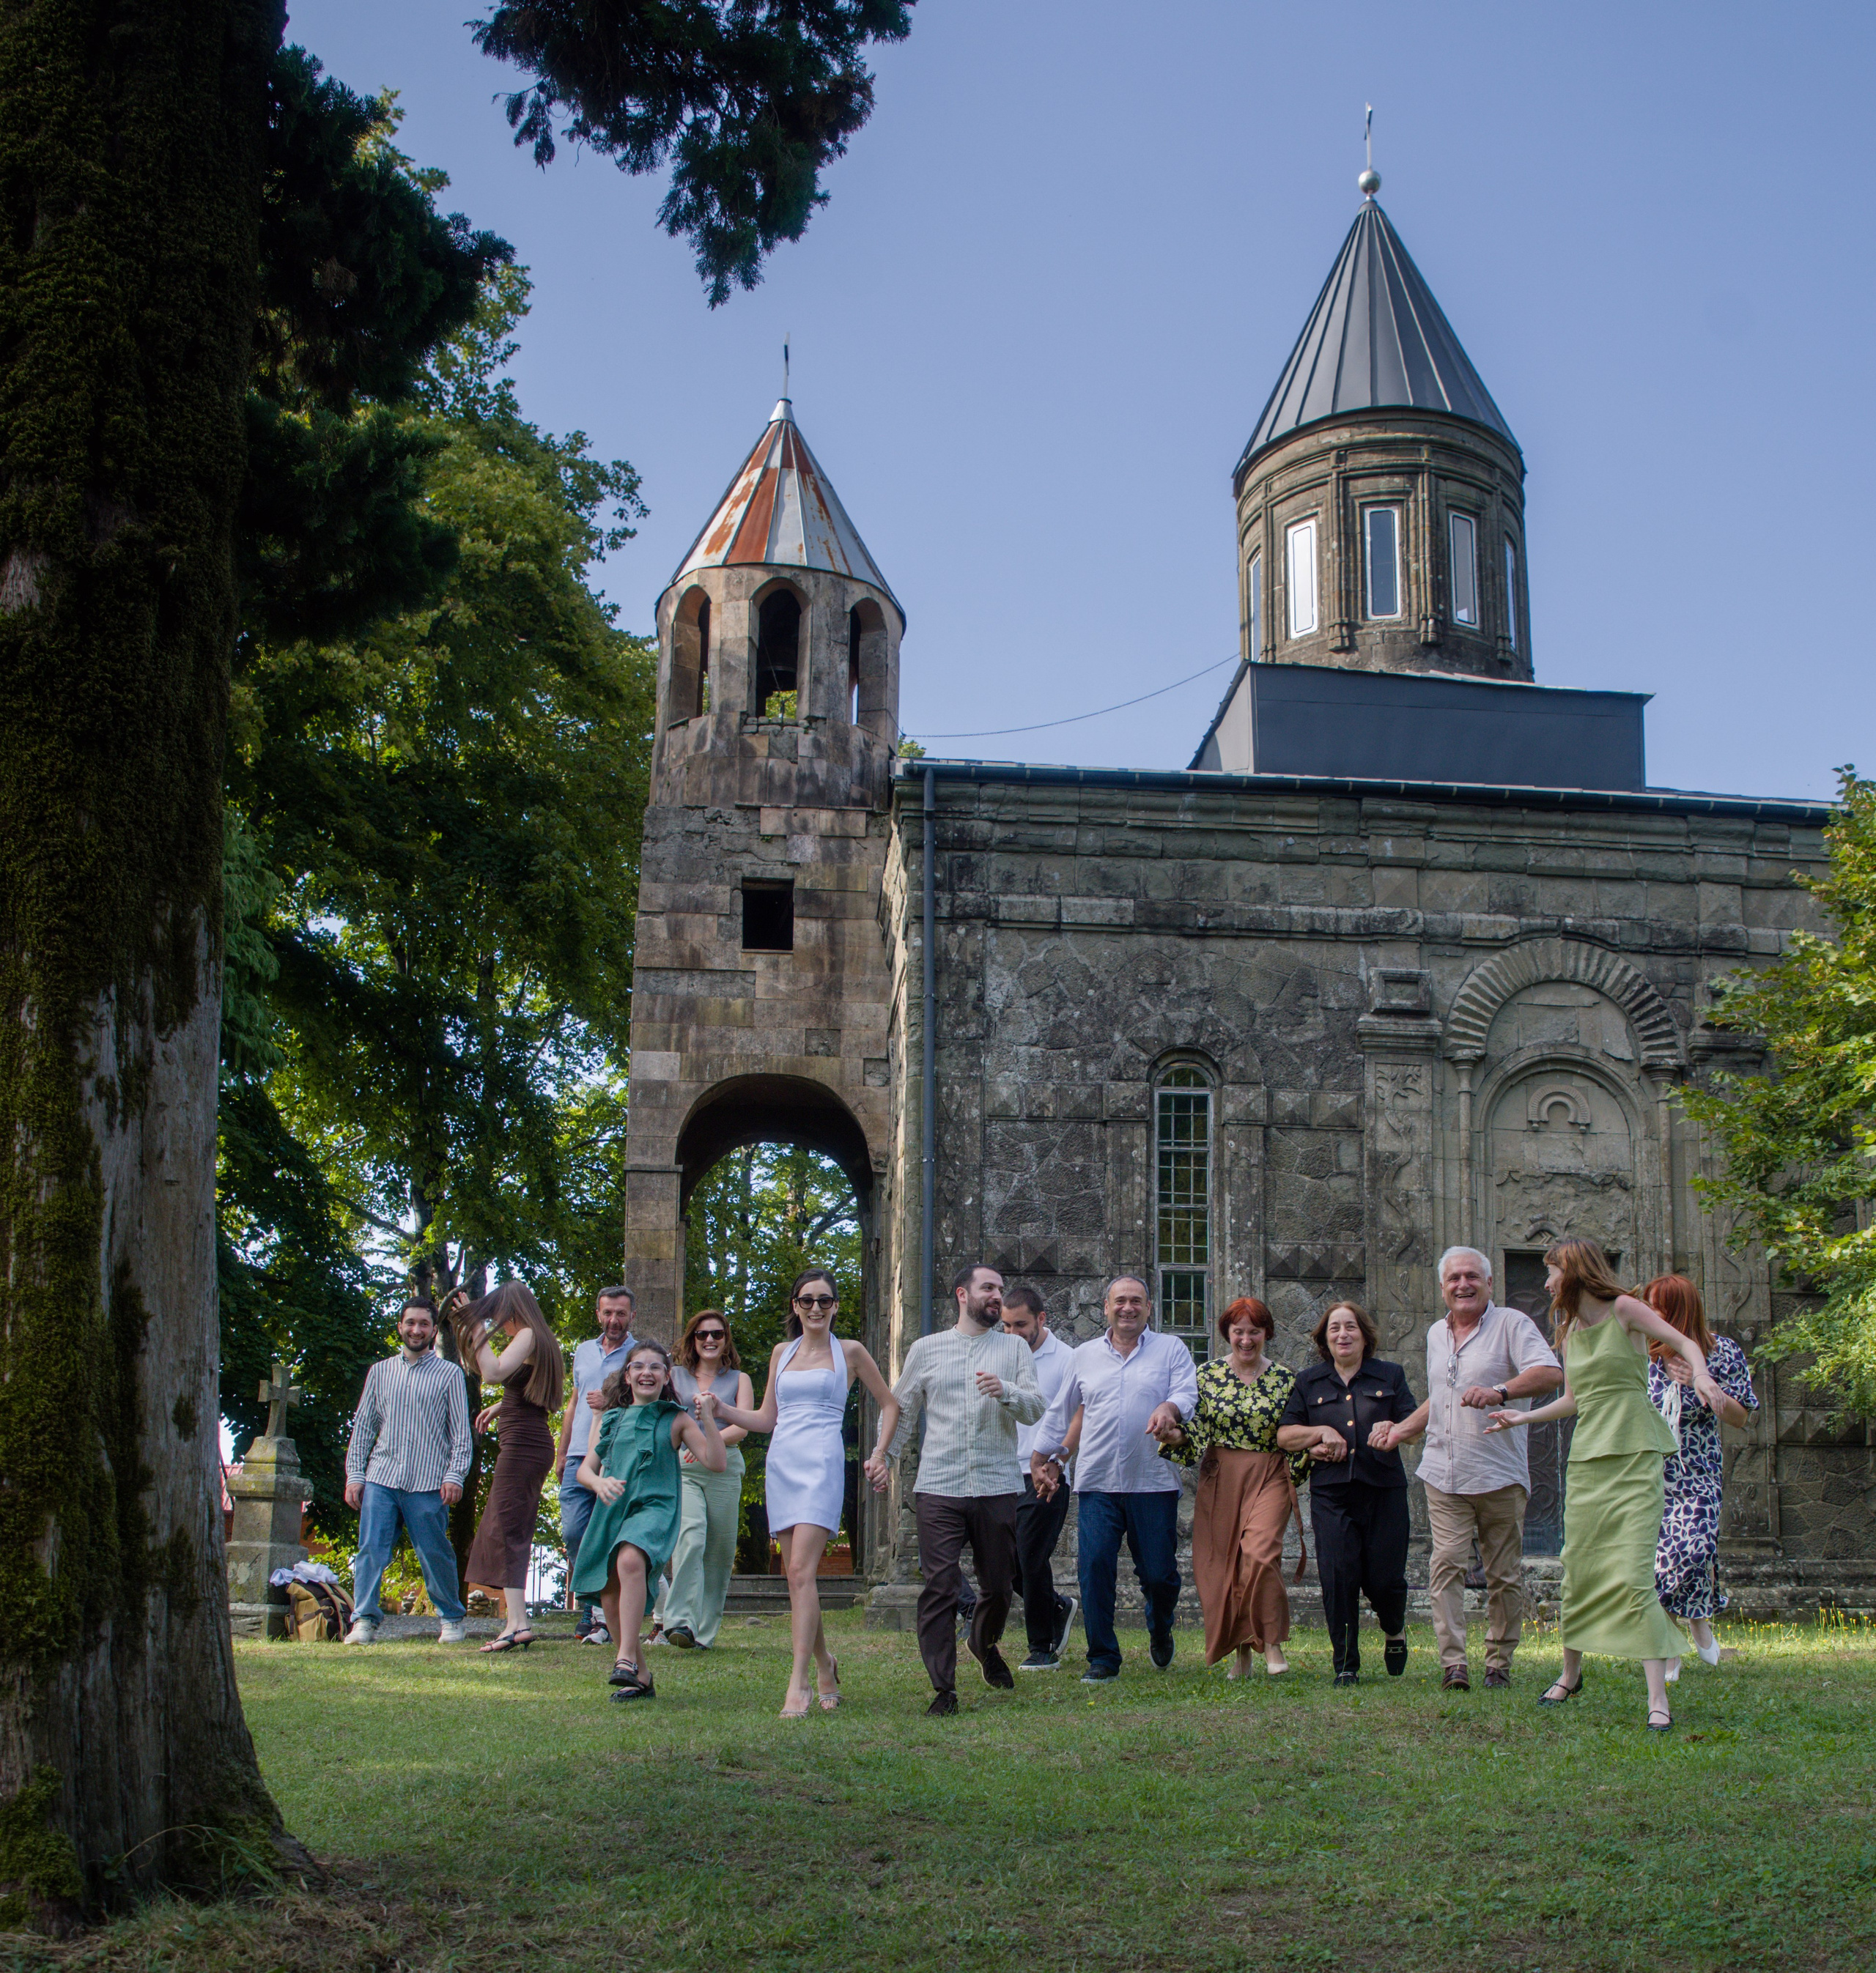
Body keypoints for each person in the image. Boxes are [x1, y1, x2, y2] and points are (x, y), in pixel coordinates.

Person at [1484, 1238, 1726, 1730]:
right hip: (1590, 1457)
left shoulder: (1626, 1310)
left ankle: (1658, 1698)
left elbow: (1685, 1342)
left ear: (1572, 1270)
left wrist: (1700, 1375)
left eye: (1552, 1271)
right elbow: (1575, 1398)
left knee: (1634, 1571)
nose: (1547, 1281)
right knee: (1580, 1565)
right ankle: (1571, 1673)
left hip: (1635, 1452)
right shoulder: (1571, 1329)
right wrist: (1519, 1417)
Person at [709, 1267, 901, 1717]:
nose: (816, 1308)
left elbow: (890, 1404)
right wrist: (721, 1410)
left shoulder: (850, 1352)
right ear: (796, 1306)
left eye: (825, 1301)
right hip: (782, 1463)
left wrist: (879, 1454)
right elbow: (766, 1419)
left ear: (835, 1306)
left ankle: (799, 1683)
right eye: (807, 1300)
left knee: (799, 1570)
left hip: (822, 1463)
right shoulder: (782, 1352)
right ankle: (825, 1663)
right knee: (798, 1578)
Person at [1371, 1247, 1563, 1690]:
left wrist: (1500, 1391)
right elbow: (1441, 1398)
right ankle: (1453, 1664)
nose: (1463, 1285)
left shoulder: (1513, 1324)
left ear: (1489, 1284)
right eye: (1454, 1278)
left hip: (1499, 1473)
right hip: (1443, 1472)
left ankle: (1498, 1663)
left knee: (1503, 1574)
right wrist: (1402, 1430)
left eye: (1472, 1277)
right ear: (1443, 1288)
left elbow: (1550, 1373)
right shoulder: (1437, 1333)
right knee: (1446, 1566)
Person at [879, 1264, 1045, 1714]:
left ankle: (983, 1642)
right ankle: (943, 1690)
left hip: (996, 1486)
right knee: (939, 1585)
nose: (997, 1296)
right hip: (939, 1486)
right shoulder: (926, 1349)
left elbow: (1035, 1409)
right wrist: (883, 1457)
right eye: (988, 1288)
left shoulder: (1014, 1349)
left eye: (1000, 1290)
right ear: (962, 1295)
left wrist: (1005, 1389)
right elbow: (902, 1408)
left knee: (997, 1588)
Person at [1030, 1276, 1198, 1684]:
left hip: (1153, 1482)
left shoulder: (1171, 1349)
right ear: (1106, 1307)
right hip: (1097, 1483)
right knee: (1095, 1569)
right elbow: (1060, 1411)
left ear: (1148, 1308)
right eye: (1120, 1301)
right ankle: (1103, 1657)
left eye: (1136, 1301)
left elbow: (1188, 1392)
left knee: (1159, 1575)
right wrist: (1042, 1457)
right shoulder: (1084, 1355)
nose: (1128, 1307)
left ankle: (1160, 1626)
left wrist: (1168, 1406)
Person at [1159, 1296, 1307, 1679]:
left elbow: (1293, 1432)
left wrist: (1312, 1453)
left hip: (1271, 1472)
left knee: (1259, 1553)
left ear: (1266, 1334)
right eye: (1238, 1331)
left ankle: (1271, 1642)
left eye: (1254, 1331)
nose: (1246, 1339)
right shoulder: (1207, 1375)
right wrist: (1175, 1436)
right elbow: (1198, 1432)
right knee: (1224, 1566)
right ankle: (1242, 1653)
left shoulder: (1287, 1379)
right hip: (1221, 1474)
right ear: (1227, 1333)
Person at [574, 1340, 727, 1700]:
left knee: (630, 1559)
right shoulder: (612, 1419)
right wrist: (599, 1483)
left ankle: (624, 1656)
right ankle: (640, 1675)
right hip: (613, 1509)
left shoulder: (675, 1418)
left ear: (666, 1375)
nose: (647, 1372)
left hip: (655, 1507)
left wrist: (707, 1418)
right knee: (609, 1594)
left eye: (655, 1367)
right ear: (627, 1376)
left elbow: (716, 1462)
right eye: (639, 1367)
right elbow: (584, 1470)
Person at [1277, 1301, 1417, 1686]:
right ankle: (1346, 1663)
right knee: (1338, 1576)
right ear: (1324, 1337)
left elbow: (1414, 1423)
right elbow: (1285, 1435)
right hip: (1332, 1494)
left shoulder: (1390, 1375)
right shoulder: (1308, 1382)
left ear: (1364, 1335)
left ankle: (1394, 1628)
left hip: (1384, 1491)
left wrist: (1396, 1428)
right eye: (1335, 1328)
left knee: (1384, 1579)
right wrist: (1318, 1435)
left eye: (1351, 1327)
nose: (1343, 1334)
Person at [1639, 1274, 1757, 1679]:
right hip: (1649, 1470)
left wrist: (1705, 1387)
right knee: (1656, 1557)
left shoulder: (1721, 1352)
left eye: (1658, 1307)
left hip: (1697, 1469)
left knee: (1694, 1548)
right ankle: (1672, 1644)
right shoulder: (1643, 1355)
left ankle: (1699, 1619)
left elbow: (1741, 1418)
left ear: (1679, 1310)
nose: (1650, 1315)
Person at [444, 1280, 565, 1653]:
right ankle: (515, 1622)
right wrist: (503, 1406)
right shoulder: (543, 1339)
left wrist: (475, 1328)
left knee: (508, 1528)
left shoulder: (528, 1334)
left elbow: (493, 1372)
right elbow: (533, 1391)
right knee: (508, 1526)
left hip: (524, 1447)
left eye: (498, 1316)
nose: (500, 1323)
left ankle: (518, 1624)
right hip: (528, 1441)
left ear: (513, 1310)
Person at [343, 1300, 473, 1644]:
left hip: (429, 1481)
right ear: (400, 1326)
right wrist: (355, 1475)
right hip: (382, 1477)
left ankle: (451, 1618)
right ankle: (364, 1621)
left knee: (434, 1552)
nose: (417, 1330)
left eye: (424, 1324)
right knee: (371, 1549)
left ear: (433, 1330)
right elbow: (364, 1428)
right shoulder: (380, 1372)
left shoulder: (450, 1374)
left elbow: (460, 1433)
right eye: (410, 1323)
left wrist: (454, 1475)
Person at [656, 1309, 756, 1651]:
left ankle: (704, 1634)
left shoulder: (740, 1379)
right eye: (702, 1335)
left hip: (725, 1469)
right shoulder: (674, 1376)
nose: (710, 1340)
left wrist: (707, 1446)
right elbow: (662, 1416)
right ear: (692, 1340)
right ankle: (679, 1621)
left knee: (719, 1553)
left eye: (717, 1334)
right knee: (691, 1537)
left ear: (726, 1339)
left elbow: (742, 1426)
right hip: (683, 1469)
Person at [1000, 1285, 1082, 1671]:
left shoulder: (1068, 1359)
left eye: (1021, 1325)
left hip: (1046, 1473)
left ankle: (1042, 1646)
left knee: (1030, 1557)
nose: (1013, 1334)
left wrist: (1058, 1461)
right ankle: (1056, 1606)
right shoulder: (998, 1355)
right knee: (1004, 1563)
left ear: (1042, 1320)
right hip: (1000, 1473)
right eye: (1006, 1326)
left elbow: (1078, 1417)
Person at [554, 1286, 638, 1646]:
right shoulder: (584, 1351)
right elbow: (573, 1403)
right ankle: (594, 1603)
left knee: (608, 1534)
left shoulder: (641, 1353)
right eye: (607, 1313)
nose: (613, 1320)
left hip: (617, 1455)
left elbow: (650, 1399)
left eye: (621, 1313)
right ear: (598, 1314)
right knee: (574, 1531)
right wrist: (560, 1453)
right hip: (578, 1455)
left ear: (632, 1315)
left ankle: (596, 1615)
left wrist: (613, 1398)